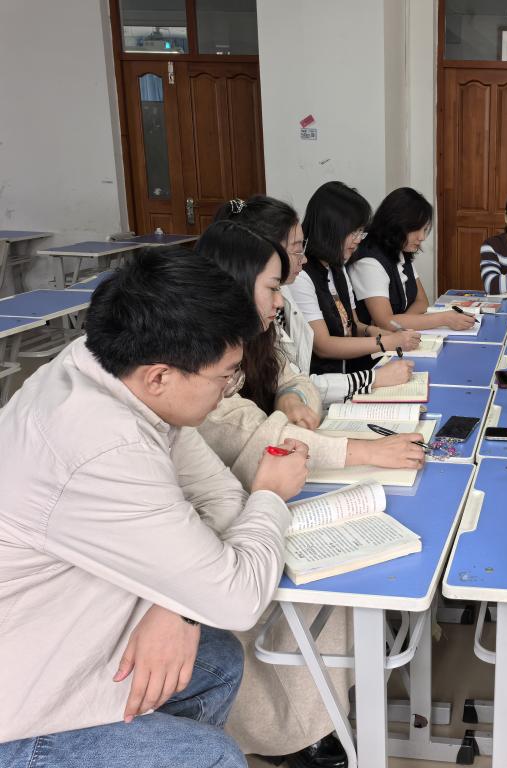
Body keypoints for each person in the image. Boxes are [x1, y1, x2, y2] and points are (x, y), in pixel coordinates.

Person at [0, 248, 308, 768]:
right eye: (225, 377)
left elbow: (218, 495)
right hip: (20, 705)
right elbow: (237, 599)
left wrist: (179, 603)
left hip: (63, 631)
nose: (228, 391)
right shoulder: (101, 447)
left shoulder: (112, 370)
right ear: (160, 376)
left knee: (216, 662)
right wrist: (271, 497)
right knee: (211, 757)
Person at [195, 220, 426, 489]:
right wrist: (369, 451)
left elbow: (296, 379)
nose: (279, 301)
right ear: (237, 284)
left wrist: (291, 397)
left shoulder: (260, 334)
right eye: (272, 288)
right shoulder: (199, 357)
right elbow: (255, 436)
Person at [215, 195, 414, 403]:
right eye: (297, 250)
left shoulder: (300, 287)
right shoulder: (294, 284)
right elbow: (320, 350)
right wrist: (375, 370)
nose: (303, 258)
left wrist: (290, 396)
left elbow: (292, 380)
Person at [289, 182, 423, 375]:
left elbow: (353, 325)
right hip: (323, 382)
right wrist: (384, 342)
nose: (359, 239)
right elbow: (323, 345)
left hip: (351, 376)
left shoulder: (337, 267)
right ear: (331, 228)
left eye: (361, 231)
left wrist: (372, 331)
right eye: (354, 232)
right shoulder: (301, 275)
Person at [348, 186, 475, 333]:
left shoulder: (400, 249)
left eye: (425, 230)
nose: (422, 237)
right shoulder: (368, 261)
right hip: (375, 345)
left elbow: (422, 302)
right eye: (416, 229)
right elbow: (385, 322)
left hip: (401, 338)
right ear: (395, 224)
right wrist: (444, 318)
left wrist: (402, 325)